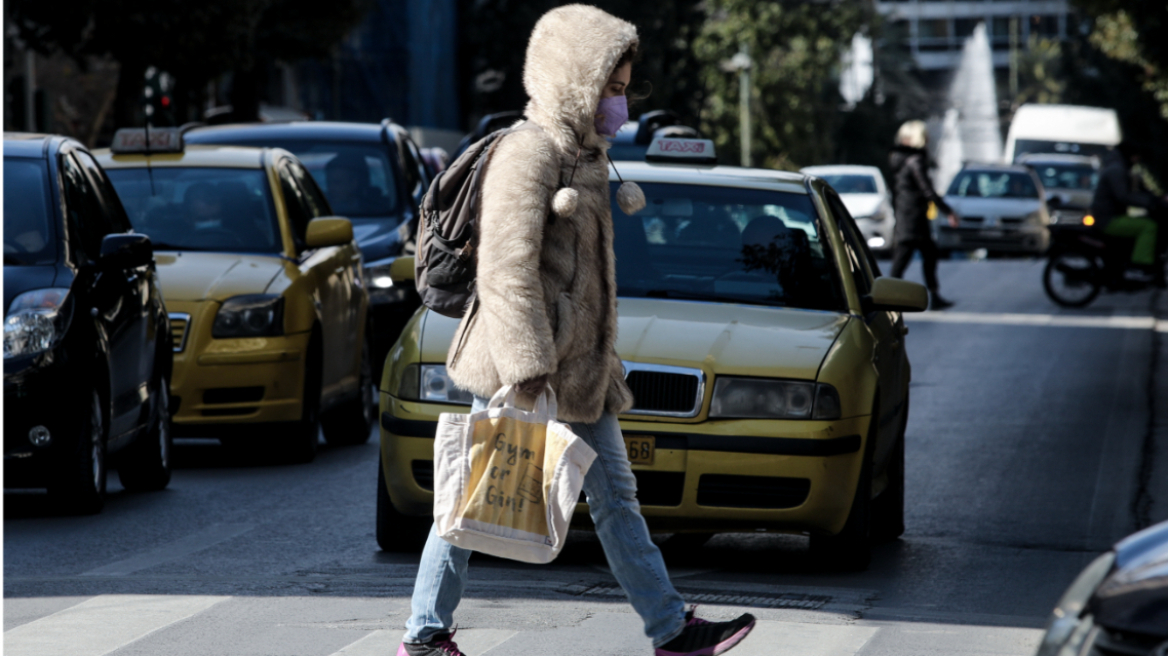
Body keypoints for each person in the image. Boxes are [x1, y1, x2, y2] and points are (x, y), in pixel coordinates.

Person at [396, 6, 757, 656]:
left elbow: (584, 285)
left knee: (615, 497)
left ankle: (671, 629)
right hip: (525, 369)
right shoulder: (528, 152)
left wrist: (598, 360)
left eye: (622, 89)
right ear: (574, 81)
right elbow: (505, 270)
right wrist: (528, 369)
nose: (620, 104)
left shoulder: (586, 157)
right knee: (471, 501)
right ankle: (424, 635)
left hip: (579, 372)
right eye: (610, 89)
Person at [888, 120, 958, 310]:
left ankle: (930, 296)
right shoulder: (915, 161)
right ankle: (887, 301)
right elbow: (927, 190)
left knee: (921, 256)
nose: (928, 141)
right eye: (925, 137)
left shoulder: (899, 158)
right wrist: (948, 211)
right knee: (905, 260)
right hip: (914, 219)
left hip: (907, 216)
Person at [1089, 141, 1165, 287]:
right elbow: (1124, 196)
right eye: (1137, 156)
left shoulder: (1120, 166)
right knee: (1149, 226)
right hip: (1108, 219)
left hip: (1111, 216)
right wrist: (1151, 202)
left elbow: (1138, 189)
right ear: (1131, 155)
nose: (1138, 160)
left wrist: (1155, 198)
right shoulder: (1117, 169)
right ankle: (1139, 267)